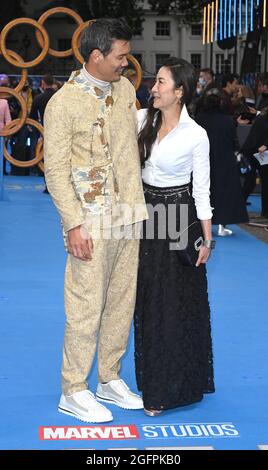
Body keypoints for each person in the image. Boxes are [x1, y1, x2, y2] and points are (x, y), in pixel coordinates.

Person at [44, 18, 148, 423]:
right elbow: (55, 171)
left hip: (128, 214)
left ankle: (109, 378)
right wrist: (73, 225)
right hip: (89, 220)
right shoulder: (63, 103)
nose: (126, 62)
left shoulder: (125, 91)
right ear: (96, 56)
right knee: (86, 305)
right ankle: (73, 388)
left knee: (122, 301)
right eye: (121, 56)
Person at [134, 57, 215, 416]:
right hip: (142, 216)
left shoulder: (196, 135)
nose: (154, 87)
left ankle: (168, 387)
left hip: (178, 219)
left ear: (179, 91)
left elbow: (202, 192)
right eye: (155, 82)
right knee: (145, 301)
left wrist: (207, 240)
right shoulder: (140, 119)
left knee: (174, 305)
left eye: (162, 82)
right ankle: (149, 378)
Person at [196, 88, 248, 236]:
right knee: (224, 193)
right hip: (224, 160)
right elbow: (233, 141)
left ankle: (201, 224)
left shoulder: (199, 118)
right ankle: (222, 226)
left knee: (203, 191)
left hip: (203, 159)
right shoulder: (227, 120)